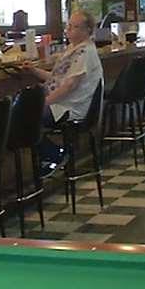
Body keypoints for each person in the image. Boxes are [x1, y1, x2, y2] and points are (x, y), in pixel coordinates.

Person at [22, 10, 103, 176]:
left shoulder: (85, 52)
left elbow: (69, 85)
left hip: (69, 107)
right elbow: (57, 78)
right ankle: (52, 154)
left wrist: (44, 103)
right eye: (69, 26)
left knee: (25, 117)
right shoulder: (73, 49)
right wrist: (34, 70)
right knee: (24, 115)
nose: (69, 30)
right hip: (62, 103)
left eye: (75, 27)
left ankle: (54, 155)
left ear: (87, 30)